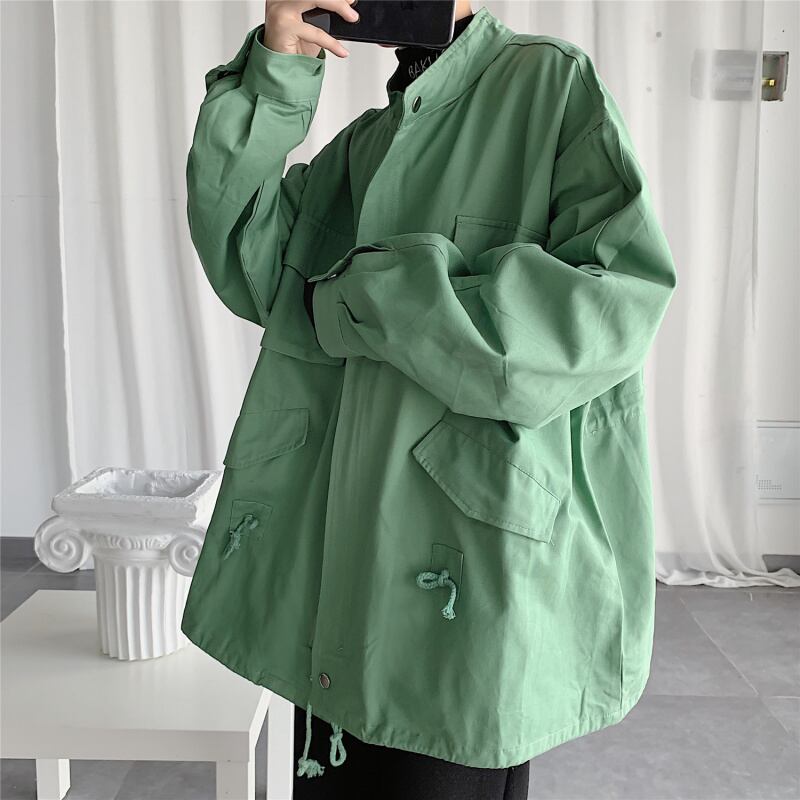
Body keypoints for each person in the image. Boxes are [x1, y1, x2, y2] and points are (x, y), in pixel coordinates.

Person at [181, 1, 677, 799]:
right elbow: (253, 263)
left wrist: (377, 293)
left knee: (436, 761)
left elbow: (611, 307)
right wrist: (276, 73)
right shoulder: (367, 146)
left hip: (462, 564)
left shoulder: (546, 84)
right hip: (338, 550)